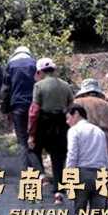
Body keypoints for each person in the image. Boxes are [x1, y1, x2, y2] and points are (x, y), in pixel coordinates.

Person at [28, 57, 74, 204]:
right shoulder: (65, 85)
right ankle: (58, 194)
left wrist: (31, 134)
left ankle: (42, 176)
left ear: (40, 72)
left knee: (32, 149)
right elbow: (71, 107)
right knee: (58, 158)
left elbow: (34, 111)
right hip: (61, 124)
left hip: (44, 122)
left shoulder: (39, 86)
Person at [65, 104, 108, 215]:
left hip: (82, 175)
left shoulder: (74, 130)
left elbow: (72, 155)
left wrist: (69, 179)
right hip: (101, 175)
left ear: (76, 114)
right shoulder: (99, 131)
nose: (67, 122)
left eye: (68, 118)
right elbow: (105, 157)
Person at [0, 46, 37, 172]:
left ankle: (27, 171)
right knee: (33, 138)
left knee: (22, 140)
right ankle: (38, 171)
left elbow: (6, 90)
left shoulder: (10, 65)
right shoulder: (34, 64)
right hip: (34, 106)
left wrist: (5, 110)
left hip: (17, 106)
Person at [73, 79, 108, 160]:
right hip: (106, 144)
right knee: (102, 168)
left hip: (84, 144)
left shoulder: (77, 103)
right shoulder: (107, 105)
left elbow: (69, 125)